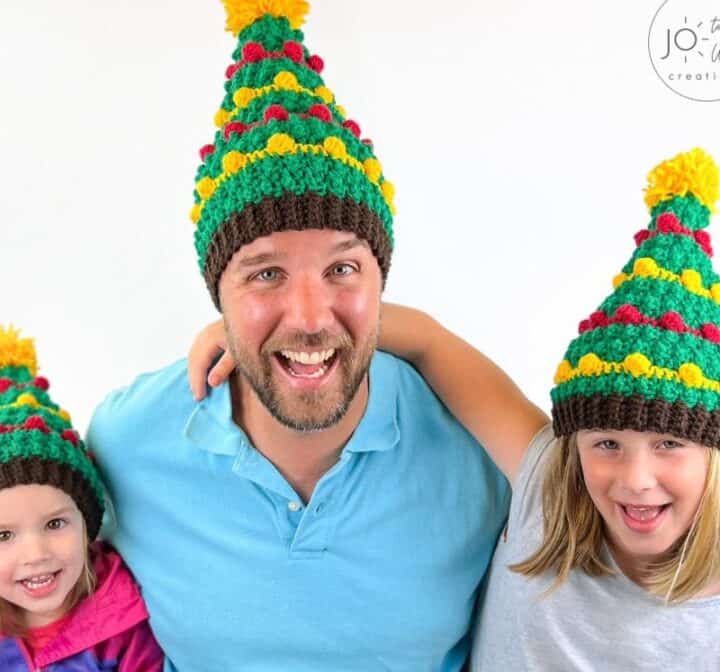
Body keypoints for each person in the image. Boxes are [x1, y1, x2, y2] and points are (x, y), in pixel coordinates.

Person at [86, 0, 546, 672]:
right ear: (219, 293)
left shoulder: (475, 449)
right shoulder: (125, 441)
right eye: (265, 273)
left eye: (342, 270)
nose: (307, 316)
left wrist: (415, 337)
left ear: (380, 284)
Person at [195, 148, 720, 671]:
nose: (636, 478)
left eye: (669, 444)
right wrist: (248, 330)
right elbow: (428, 341)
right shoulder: (551, 483)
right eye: (607, 443)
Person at [0, 326, 163, 671]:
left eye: (55, 523)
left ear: (87, 524)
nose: (36, 554)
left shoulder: (123, 625)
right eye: (3, 535)